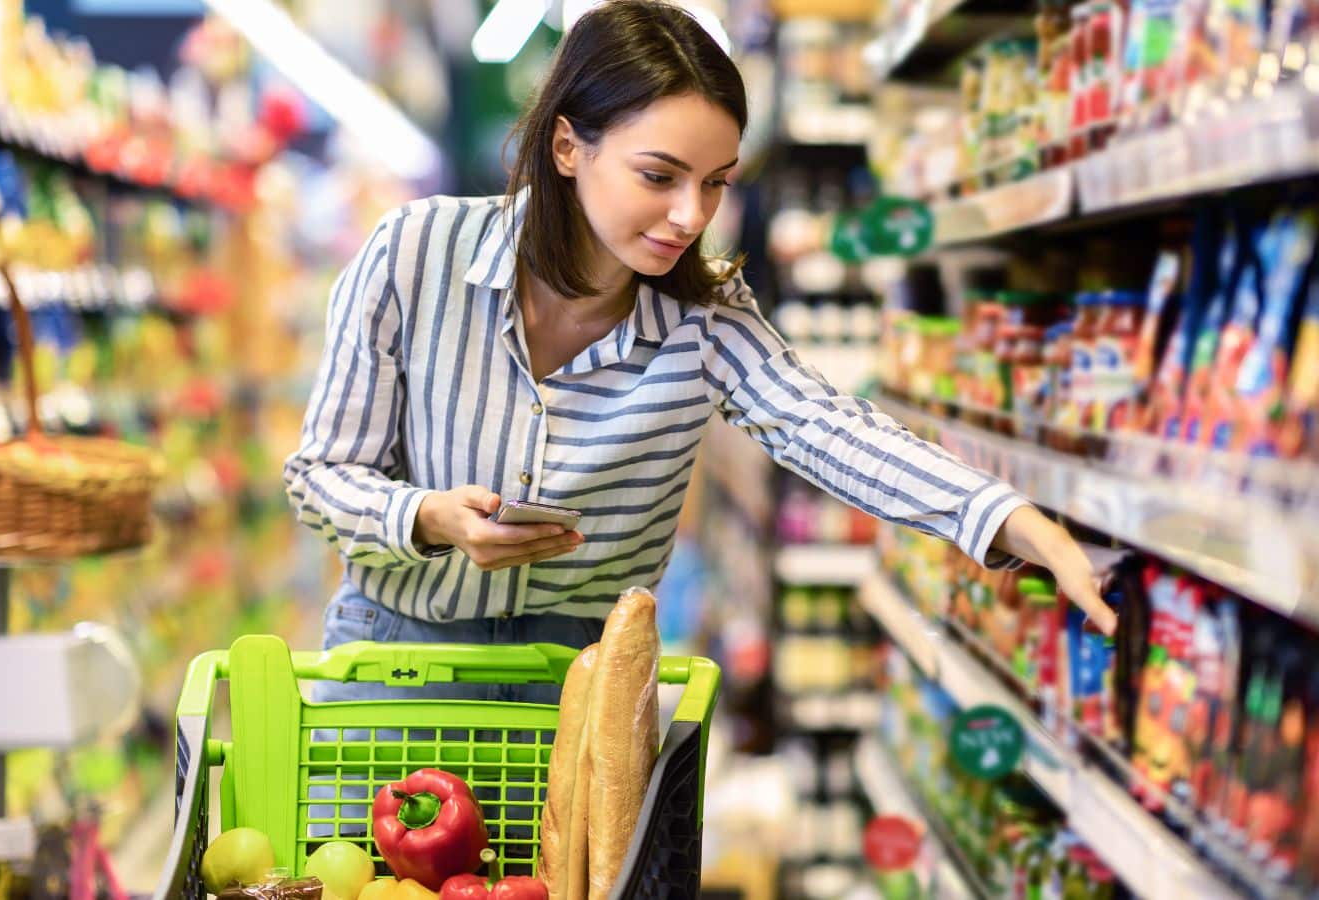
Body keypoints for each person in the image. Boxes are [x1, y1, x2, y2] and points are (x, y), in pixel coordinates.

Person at [284, 0, 1116, 709]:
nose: (691, 215)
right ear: (569, 147)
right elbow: (321, 474)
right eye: (660, 176)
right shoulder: (416, 251)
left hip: (584, 690)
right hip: (395, 666)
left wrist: (1013, 522)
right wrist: (427, 518)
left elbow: (829, 429)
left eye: (716, 182)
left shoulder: (706, 314)